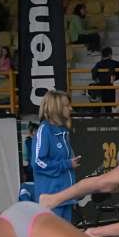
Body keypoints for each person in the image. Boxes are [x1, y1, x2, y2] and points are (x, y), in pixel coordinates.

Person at [33, 91, 81, 223]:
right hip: (51, 199)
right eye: (66, 105)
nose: (70, 108)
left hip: (66, 198)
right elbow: (38, 162)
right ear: (56, 107)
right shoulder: (45, 130)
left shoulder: (63, 132)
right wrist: (67, 164)